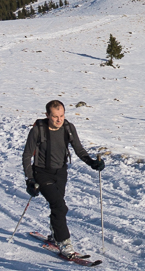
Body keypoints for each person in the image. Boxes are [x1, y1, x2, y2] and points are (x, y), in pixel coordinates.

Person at [22, 100, 105, 257]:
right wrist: (30, 179)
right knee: (59, 206)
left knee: (57, 206)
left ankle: (54, 235)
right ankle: (64, 242)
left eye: (61, 115)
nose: (59, 120)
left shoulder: (68, 128)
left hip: (61, 172)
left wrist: (92, 163)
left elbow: (79, 149)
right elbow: (27, 155)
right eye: (54, 116)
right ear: (47, 115)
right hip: (42, 173)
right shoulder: (38, 130)